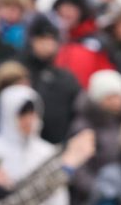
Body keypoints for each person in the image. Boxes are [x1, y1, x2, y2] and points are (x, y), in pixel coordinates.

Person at [68, 68, 121, 205]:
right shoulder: (84, 126)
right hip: (96, 199)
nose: (117, 102)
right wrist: (99, 190)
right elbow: (78, 167)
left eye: (119, 96)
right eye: (110, 97)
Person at [19, 14, 83, 144]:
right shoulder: (18, 72)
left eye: (52, 40)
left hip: (58, 146)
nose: (47, 45)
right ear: (31, 40)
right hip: (23, 144)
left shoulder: (65, 77)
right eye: (42, 39)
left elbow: (78, 111)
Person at [53, 0, 114, 88]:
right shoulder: (51, 40)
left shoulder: (98, 41)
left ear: (81, 12)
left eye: (71, 8)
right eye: (63, 8)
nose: (66, 12)